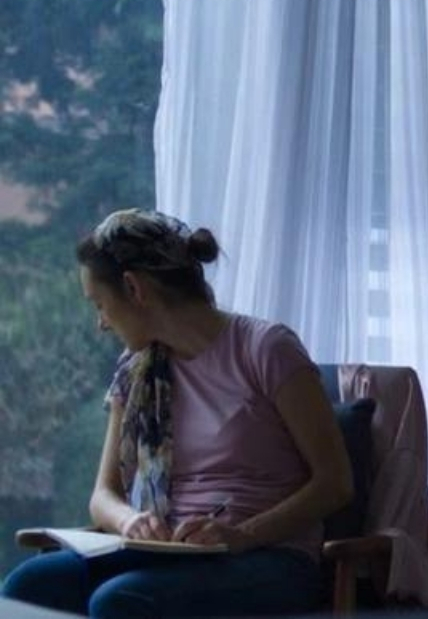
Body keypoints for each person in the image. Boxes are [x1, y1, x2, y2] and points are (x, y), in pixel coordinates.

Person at [1, 208, 353, 618]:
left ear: (133, 288)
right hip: (169, 552)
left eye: (100, 304)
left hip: (270, 555)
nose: (101, 323)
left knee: (120, 600)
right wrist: (131, 522)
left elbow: (335, 483)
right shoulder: (137, 370)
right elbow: (103, 496)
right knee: (27, 587)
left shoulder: (266, 349)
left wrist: (241, 534)